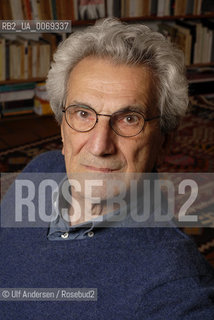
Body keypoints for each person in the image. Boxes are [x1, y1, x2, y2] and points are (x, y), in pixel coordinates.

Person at [1, 18, 214, 319]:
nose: (100, 145)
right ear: (62, 129)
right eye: (83, 113)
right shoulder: (43, 170)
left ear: (165, 141)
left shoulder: (175, 290)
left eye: (129, 119)